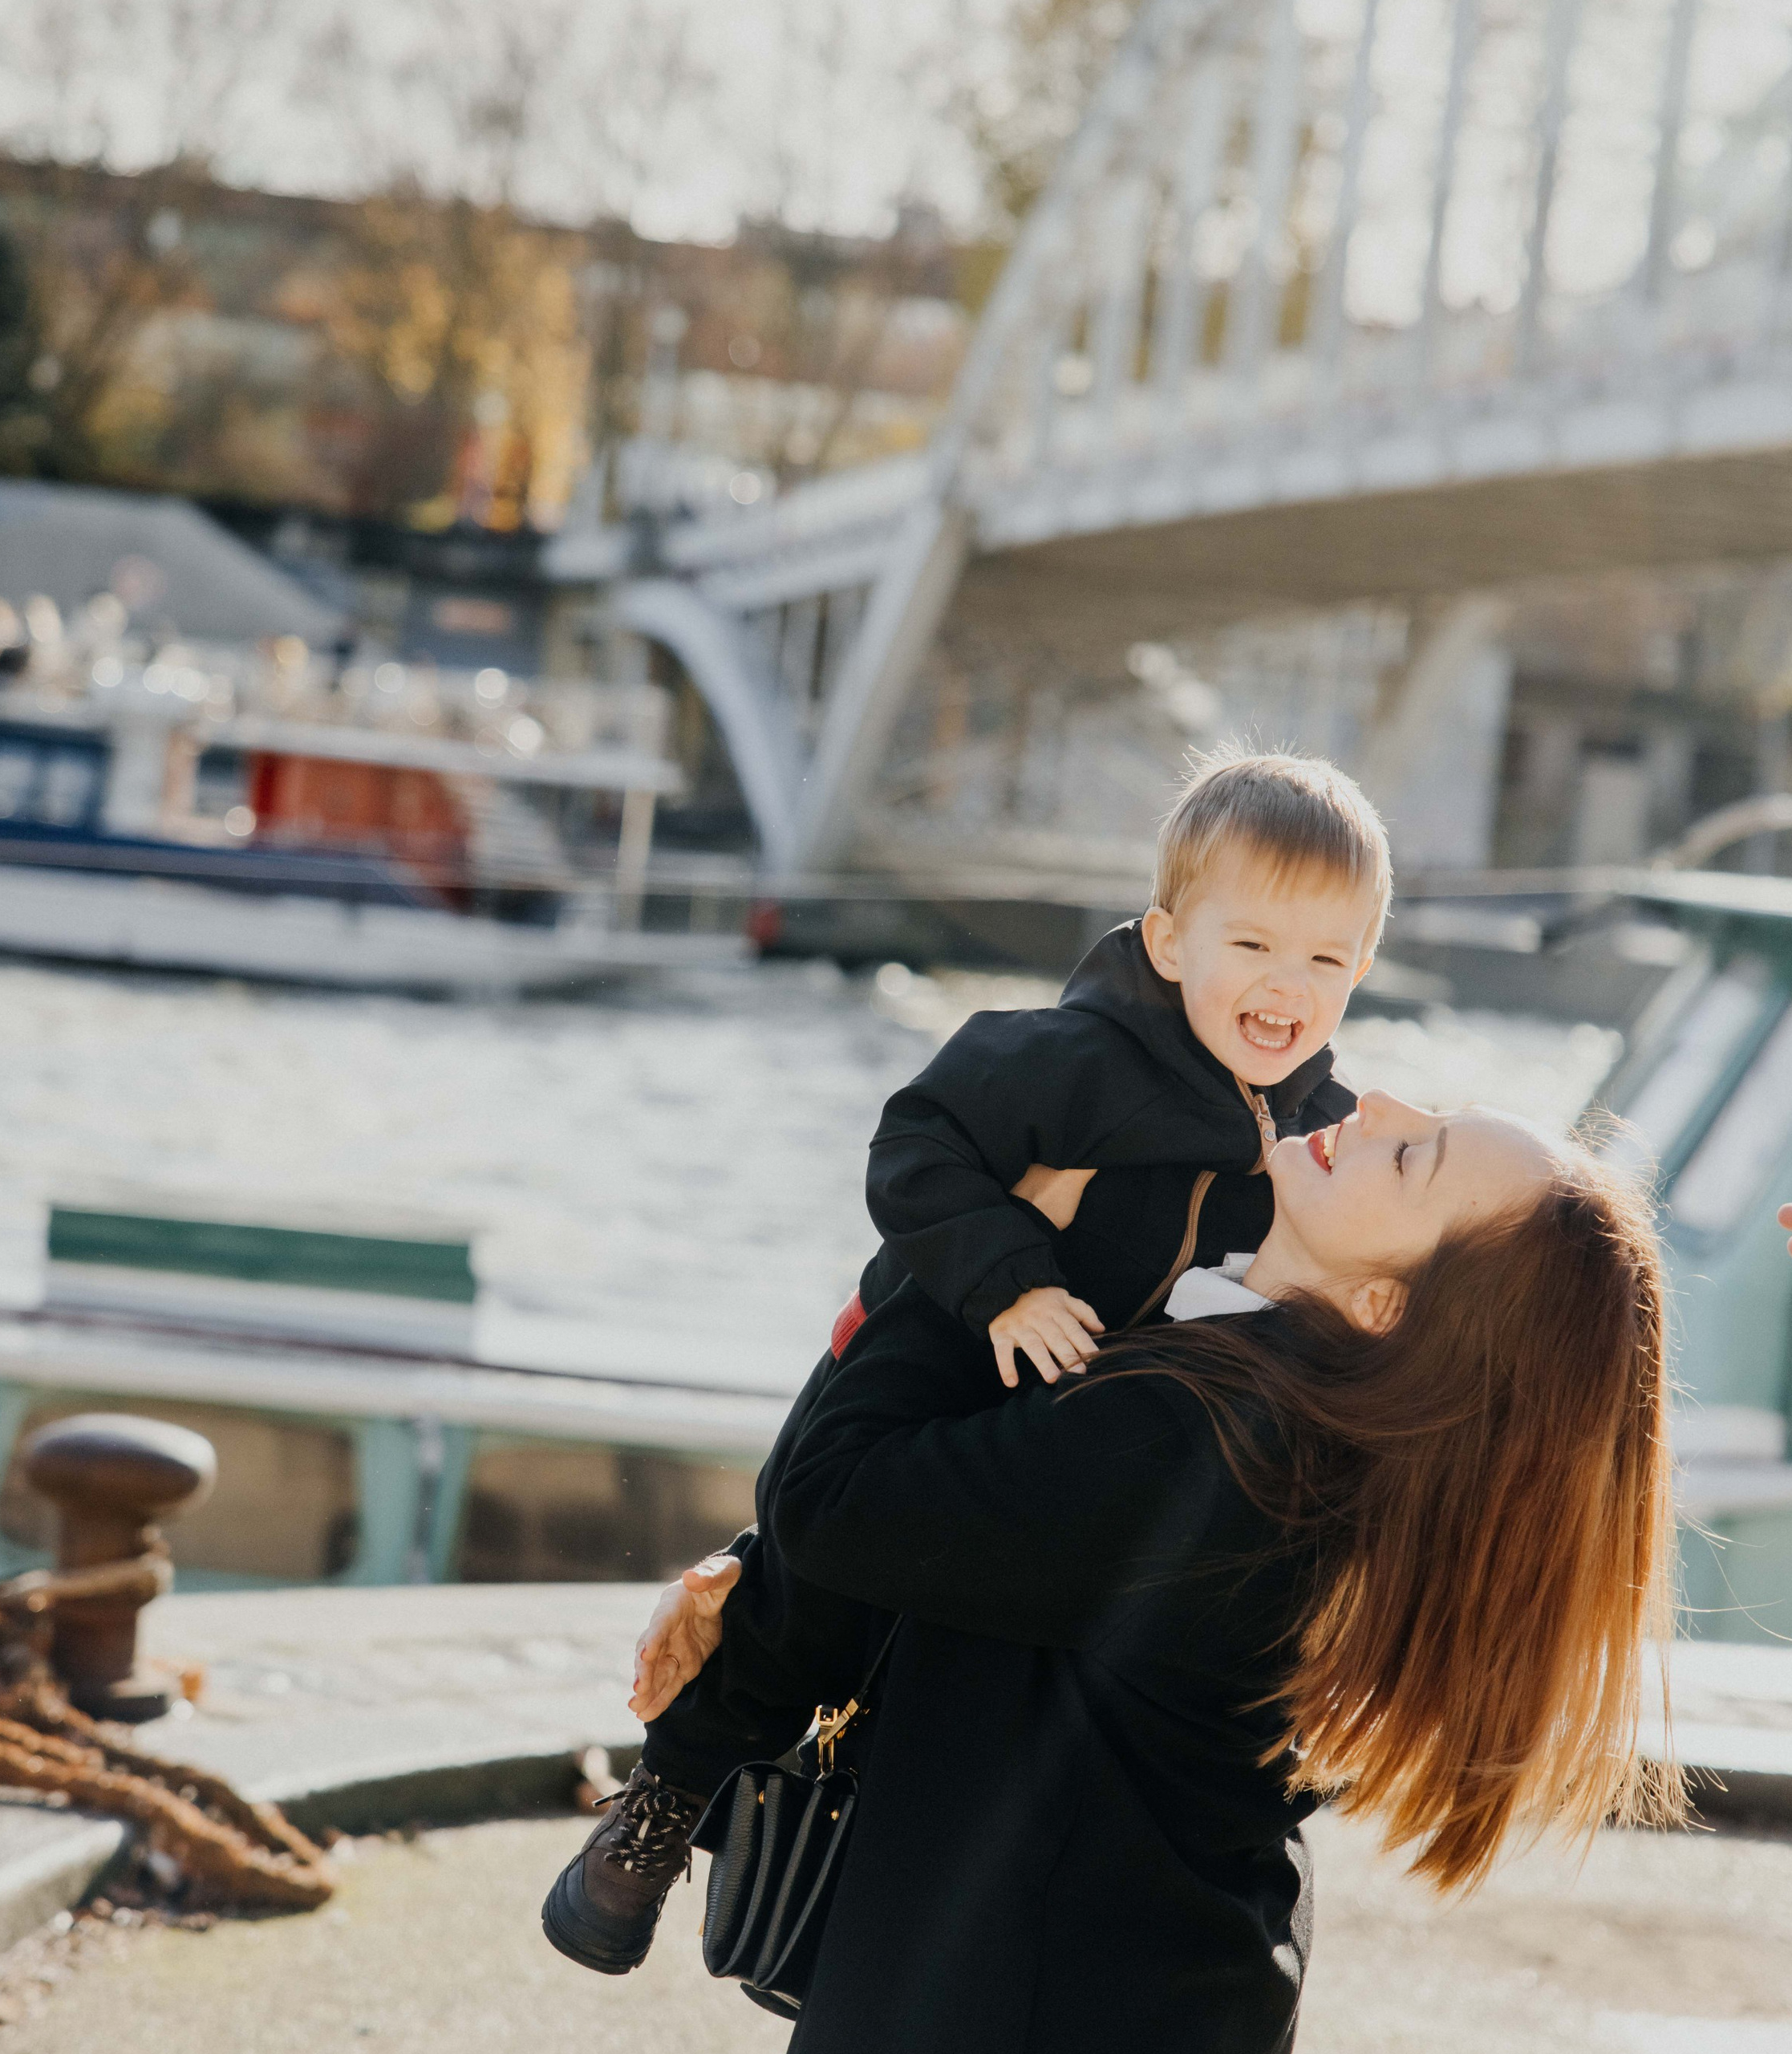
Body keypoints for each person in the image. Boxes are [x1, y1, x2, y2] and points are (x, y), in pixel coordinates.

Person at [541, 749, 1392, 1974]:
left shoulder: (1324, 1136)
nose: (1286, 984)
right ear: (1168, 943)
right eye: (1252, 945)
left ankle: (895, 1891)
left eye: (1324, 958)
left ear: (1363, 966)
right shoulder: (1067, 1058)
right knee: (810, 1596)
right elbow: (916, 1145)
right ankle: (664, 1805)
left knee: (964, 1638)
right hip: (945, 1344)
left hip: (1080, 1425)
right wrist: (1010, 1278)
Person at [764, 1090, 1682, 2051]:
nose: (1381, 1104)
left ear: (1383, 1306)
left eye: (1414, 1156)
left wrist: (981, 1252)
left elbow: (829, 1501)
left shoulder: (1203, 1442)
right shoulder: (1309, 1452)